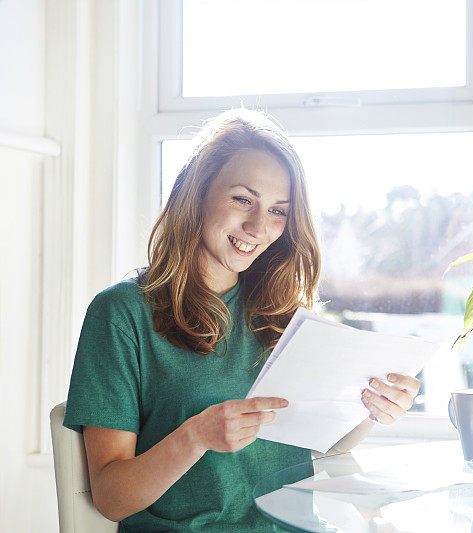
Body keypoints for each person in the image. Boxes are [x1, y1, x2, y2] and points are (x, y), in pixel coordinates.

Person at [62, 108, 421, 532]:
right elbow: (111, 498)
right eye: (242, 199)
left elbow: (321, 445)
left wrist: (373, 409)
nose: (257, 225)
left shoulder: (282, 313)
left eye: (278, 211)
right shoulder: (122, 315)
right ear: (196, 193)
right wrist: (194, 437)